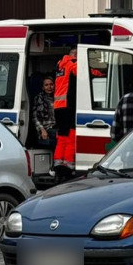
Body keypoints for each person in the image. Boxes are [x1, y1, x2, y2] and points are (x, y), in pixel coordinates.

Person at [52, 48, 78, 179]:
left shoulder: (59, 64)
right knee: (71, 135)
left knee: (61, 136)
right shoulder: (72, 63)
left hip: (58, 107)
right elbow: (84, 73)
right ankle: (68, 164)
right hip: (69, 106)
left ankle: (58, 163)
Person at [32, 76, 56, 149]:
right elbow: (35, 117)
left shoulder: (56, 97)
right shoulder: (39, 98)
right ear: (42, 87)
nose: (49, 87)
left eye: (51, 84)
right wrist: (42, 130)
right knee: (61, 139)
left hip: (55, 127)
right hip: (46, 129)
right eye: (46, 85)